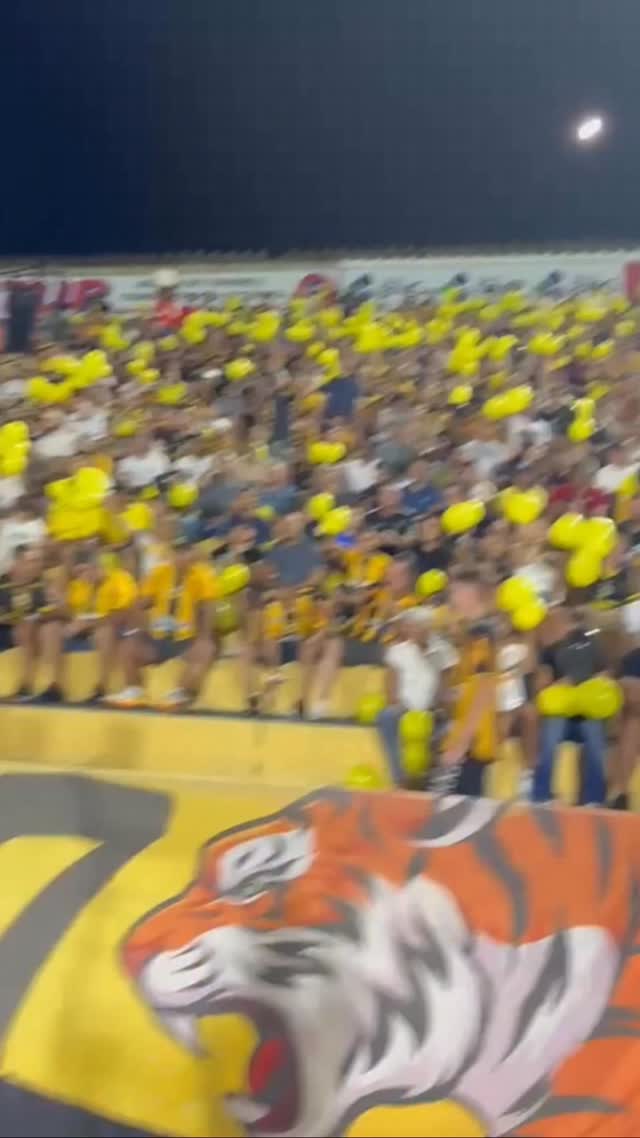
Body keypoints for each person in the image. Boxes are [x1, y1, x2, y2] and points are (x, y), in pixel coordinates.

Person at [107, 539, 217, 709]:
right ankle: (134, 691)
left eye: (186, 553)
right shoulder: (159, 573)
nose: (182, 558)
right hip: (158, 636)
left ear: (193, 555)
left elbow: (208, 607)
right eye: (178, 553)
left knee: (207, 649)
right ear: (172, 555)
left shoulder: (203, 575)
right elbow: (141, 602)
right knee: (128, 646)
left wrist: (204, 637)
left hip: (186, 639)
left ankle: (181, 693)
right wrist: (140, 629)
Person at [533, 606, 608, 806]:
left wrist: (589, 684)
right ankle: (541, 796)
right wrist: (558, 685)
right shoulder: (549, 652)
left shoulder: (593, 646)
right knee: (552, 731)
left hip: (586, 712)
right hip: (560, 714)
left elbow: (605, 677)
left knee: (594, 733)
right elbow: (541, 685)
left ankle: (594, 799)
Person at [378, 607, 456, 786]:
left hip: (431, 708)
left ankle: (431, 781)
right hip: (404, 709)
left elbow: (445, 687)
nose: (414, 631)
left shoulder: (443, 651)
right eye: (410, 627)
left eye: (419, 626)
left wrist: (437, 707)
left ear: (429, 628)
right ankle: (400, 777)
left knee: (445, 725)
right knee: (387, 717)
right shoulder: (397, 652)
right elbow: (390, 690)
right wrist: (402, 707)